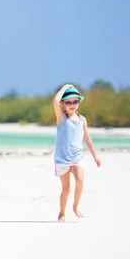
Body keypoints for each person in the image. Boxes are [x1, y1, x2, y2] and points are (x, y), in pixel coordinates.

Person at [52, 84, 102, 221]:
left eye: (75, 101)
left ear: (79, 102)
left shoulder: (82, 120)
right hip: (62, 158)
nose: (72, 105)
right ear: (63, 104)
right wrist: (65, 87)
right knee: (66, 189)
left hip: (77, 156)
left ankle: (76, 206)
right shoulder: (61, 118)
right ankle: (62, 213)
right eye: (68, 102)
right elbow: (55, 101)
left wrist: (95, 156)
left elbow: (87, 138)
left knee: (80, 180)